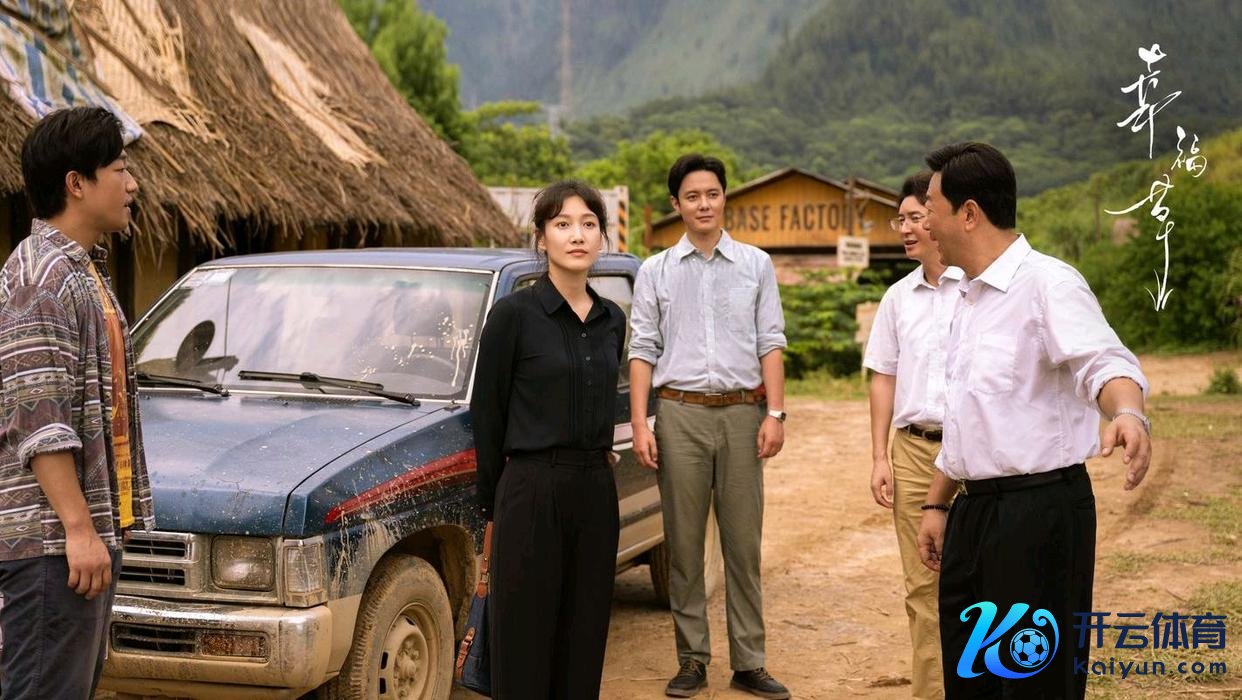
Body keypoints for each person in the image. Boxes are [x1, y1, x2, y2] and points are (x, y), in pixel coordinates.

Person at [914, 142, 1152, 699]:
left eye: (931, 209)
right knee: (971, 681)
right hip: (974, 515)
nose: (925, 224)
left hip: (1038, 516)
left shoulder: (1049, 284)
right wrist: (937, 504)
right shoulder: (967, 299)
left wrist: (1127, 412)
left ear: (968, 214)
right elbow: (971, 419)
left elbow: (1103, 361)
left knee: (1034, 683)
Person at [0, 106, 155, 699]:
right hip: (48, 543)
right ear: (76, 183)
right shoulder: (40, 279)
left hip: (73, 540)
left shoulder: (82, 273)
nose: (132, 184)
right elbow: (40, 420)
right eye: (119, 169)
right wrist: (79, 530)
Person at [629, 154, 791, 699]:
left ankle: (750, 661)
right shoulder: (655, 271)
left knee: (743, 544)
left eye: (712, 194)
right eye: (692, 196)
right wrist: (641, 423)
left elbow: (771, 341)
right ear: (676, 204)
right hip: (679, 415)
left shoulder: (756, 264)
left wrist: (775, 413)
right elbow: (642, 348)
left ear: (725, 198)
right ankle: (692, 659)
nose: (704, 204)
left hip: (744, 414)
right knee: (684, 544)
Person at [471, 180, 626, 698]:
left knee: (584, 637)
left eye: (588, 224)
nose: (577, 235)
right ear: (541, 238)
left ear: (601, 237)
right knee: (525, 639)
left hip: (595, 491)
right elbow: (487, 414)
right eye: (562, 224)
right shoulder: (513, 316)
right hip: (531, 489)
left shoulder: (611, 320)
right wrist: (493, 507)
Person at [864, 171, 961, 700]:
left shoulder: (977, 288)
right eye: (899, 219)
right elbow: (884, 376)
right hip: (915, 452)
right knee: (923, 585)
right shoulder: (898, 298)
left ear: (942, 217)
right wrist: (880, 456)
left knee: (980, 579)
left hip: (977, 454)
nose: (904, 228)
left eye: (915, 218)